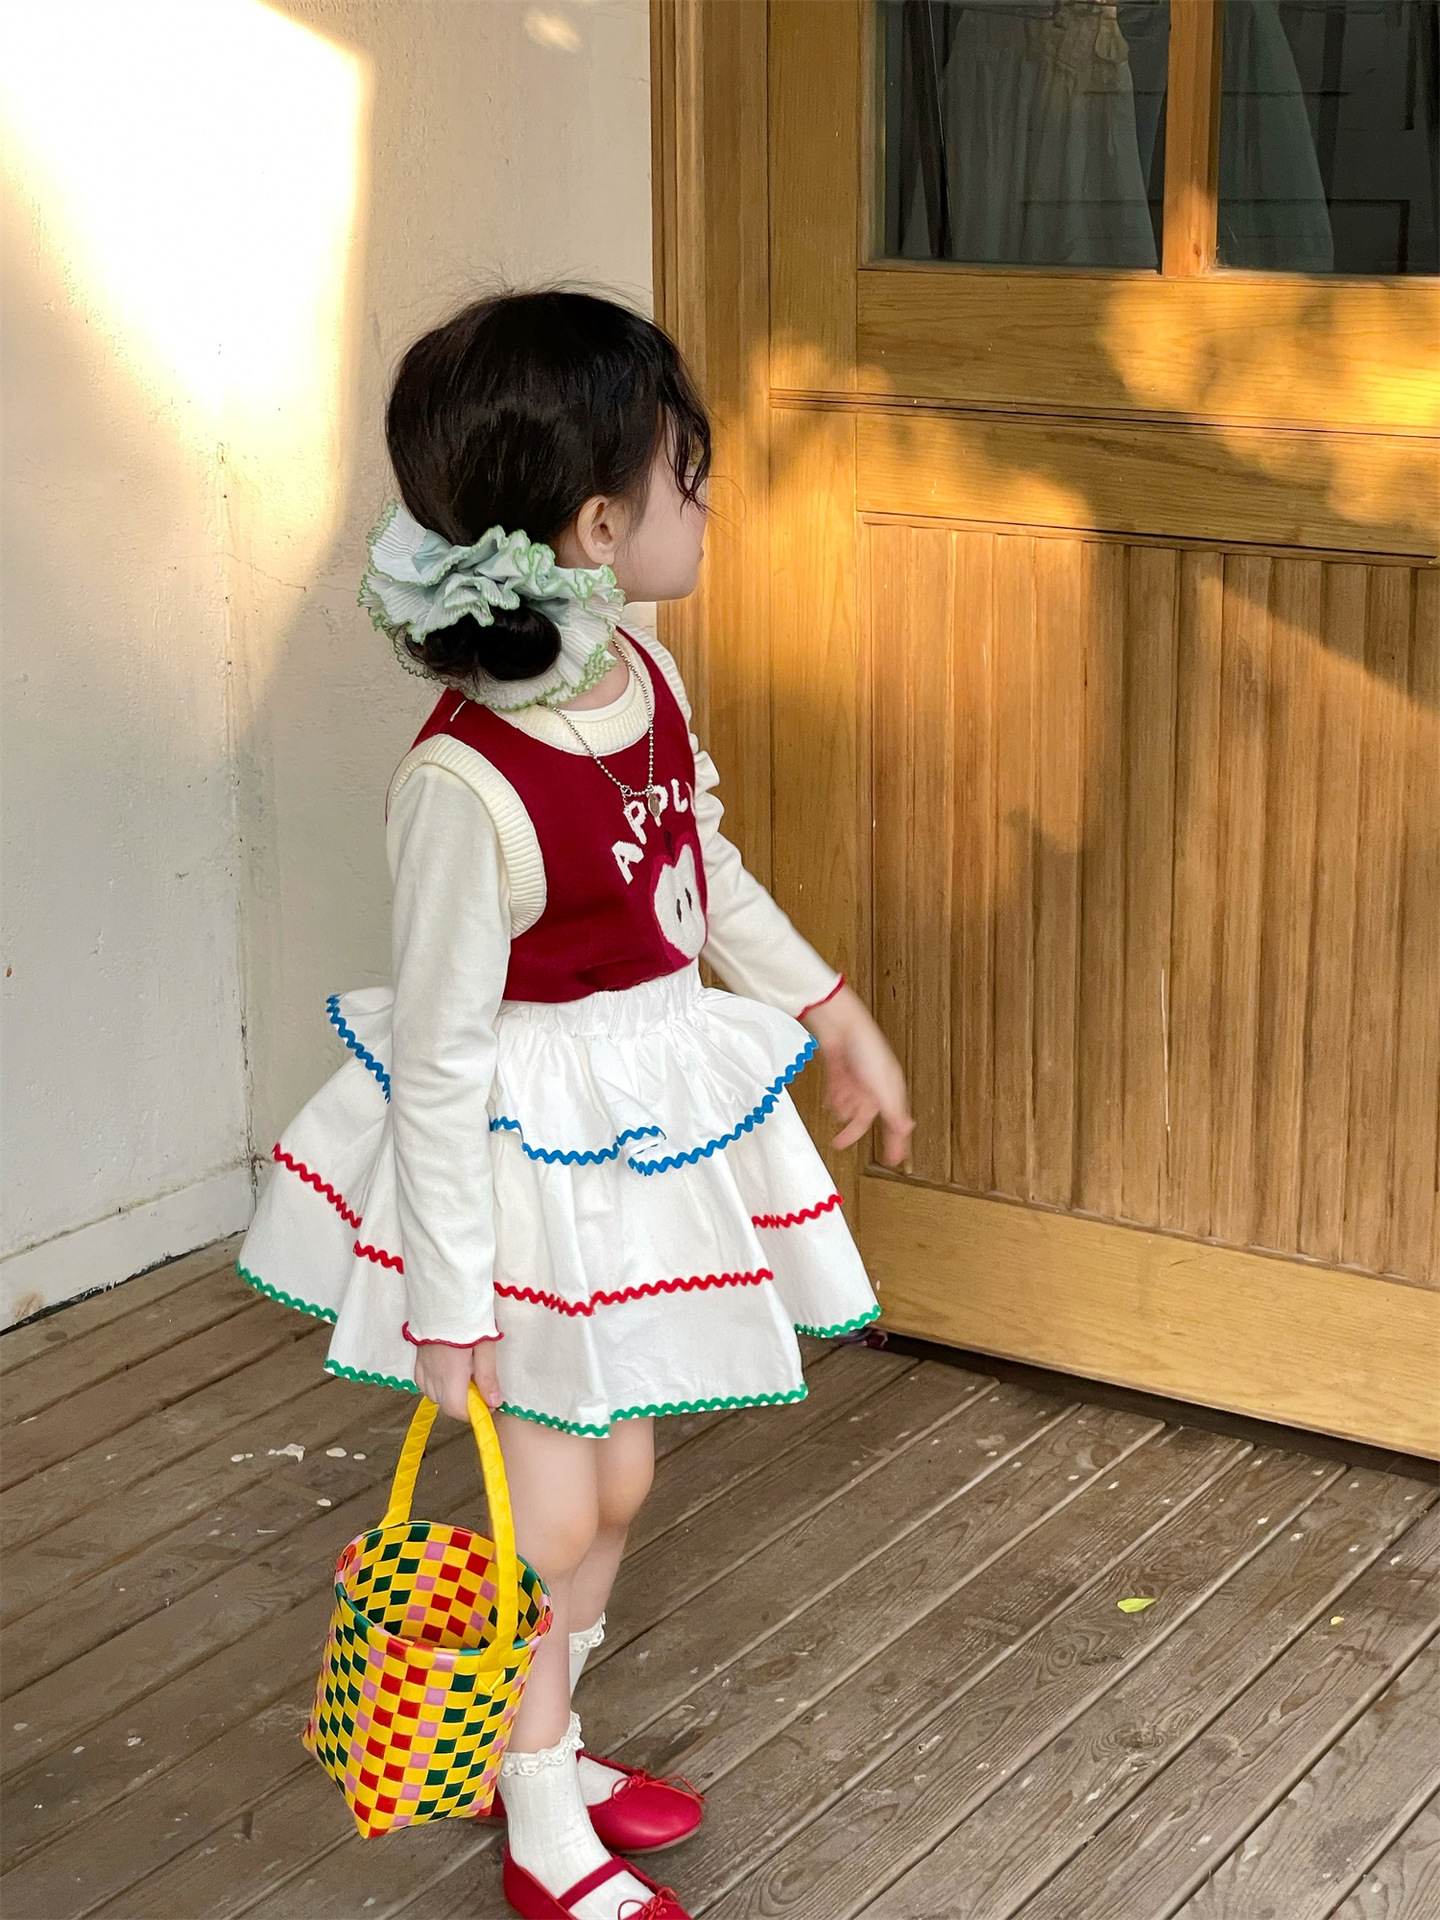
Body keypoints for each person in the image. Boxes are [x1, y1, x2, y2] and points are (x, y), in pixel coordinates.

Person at [237, 287, 913, 1920]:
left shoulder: (642, 674)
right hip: (524, 1178)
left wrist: (831, 1010)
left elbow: (699, 868)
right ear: (601, 526)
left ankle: (528, 1737)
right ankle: (539, 1797)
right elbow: (443, 1063)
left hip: (638, 1141)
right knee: (558, 1506)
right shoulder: (461, 785)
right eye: (691, 476)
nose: (709, 504)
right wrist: (450, 1307)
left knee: (619, 1477)